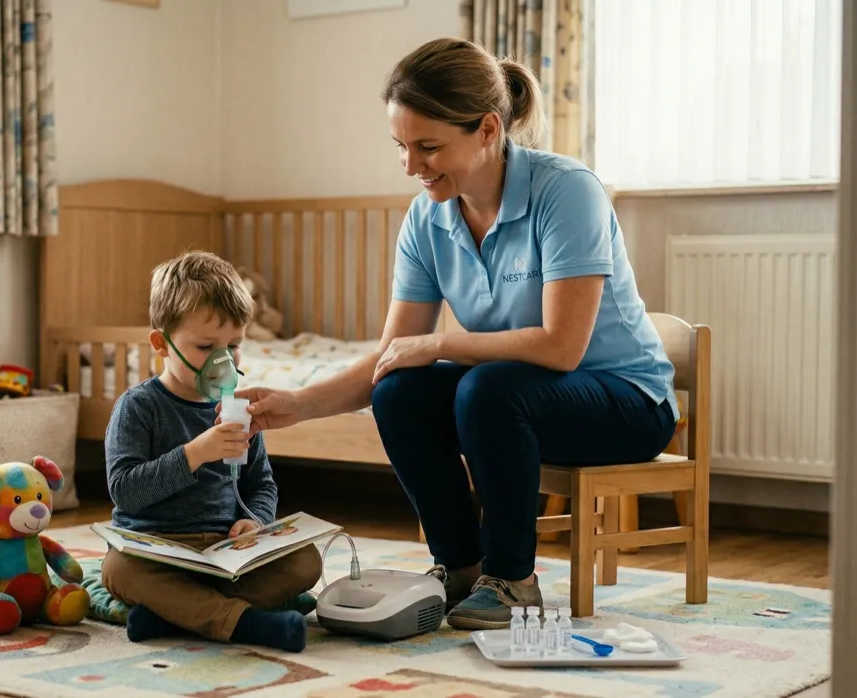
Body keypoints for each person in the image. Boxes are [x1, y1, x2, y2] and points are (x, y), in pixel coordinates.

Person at [231, 37, 678, 631]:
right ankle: (461, 567)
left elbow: (560, 347)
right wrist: (299, 405)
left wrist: (441, 343)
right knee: (400, 391)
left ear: (488, 129)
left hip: (625, 402)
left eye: (428, 146)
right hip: (522, 399)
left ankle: (513, 578)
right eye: (401, 146)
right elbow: (393, 359)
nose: (411, 166)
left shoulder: (566, 192)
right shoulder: (427, 217)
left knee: (486, 389)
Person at [100, 250, 322, 652]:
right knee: (117, 569)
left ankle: (174, 615)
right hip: (160, 554)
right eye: (206, 346)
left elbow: (261, 483)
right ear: (161, 344)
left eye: (234, 346)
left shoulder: (237, 409)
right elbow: (125, 490)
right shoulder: (138, 407)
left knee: (306, 560)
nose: (223, 360)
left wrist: (254, 522)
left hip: (226, 558)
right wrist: (194, 453)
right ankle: (241, 623)